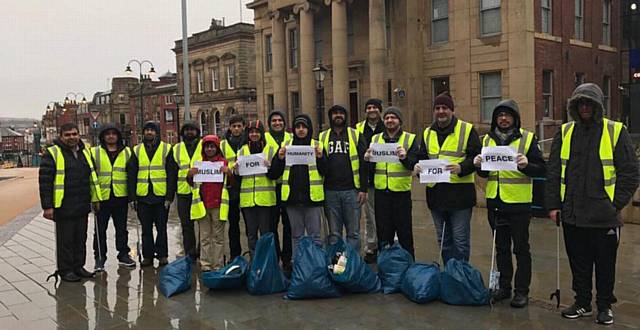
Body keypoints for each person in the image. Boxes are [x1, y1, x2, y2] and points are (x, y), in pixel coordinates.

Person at [546, 83, 639, 325]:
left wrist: (614, 204)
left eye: (589, 103)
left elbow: (630, 173)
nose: (584, 107)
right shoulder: (565, 132)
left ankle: (605, 306)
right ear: (574, 106)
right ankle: (583, 303)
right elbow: (554, 173)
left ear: (597, 106)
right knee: (579, 263)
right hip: (573, 214)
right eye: (580, 103)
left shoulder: (615, 131)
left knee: (606, 266)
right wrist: (554, 206)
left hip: (604, 216)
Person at [474, 99, 546, 308]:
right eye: (499, 115)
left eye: (507, 115)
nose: (503, 119)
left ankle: (521, 291)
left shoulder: (528, 139)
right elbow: (485, 173)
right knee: (501, 247)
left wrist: (526, 165)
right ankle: (504, 288)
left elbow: (541, 169)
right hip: (495, 201)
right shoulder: (487, 140)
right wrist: (479, 165)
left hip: (519, 203)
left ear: (515, 118)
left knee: (521, 249)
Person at [416, 92, 481, 263]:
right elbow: (422, 156)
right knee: (443, 241)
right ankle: (449, 275)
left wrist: (461, 167)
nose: (440, 111)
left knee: (460, 242)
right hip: (436, 197)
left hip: (460, 197)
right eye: (437, 108)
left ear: (451, 110)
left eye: (444, 108)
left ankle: (460, 276)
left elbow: (477, 158)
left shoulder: (467, 129)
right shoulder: (427, 132)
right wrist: (417, 167)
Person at [39, 123, 101, 282]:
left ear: (79, 135)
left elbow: (92, 178)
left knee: (80, 239)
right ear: (61, 136)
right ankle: (65, 270)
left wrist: (95, 199)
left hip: (82, 203)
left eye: (74, 134)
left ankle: (78, 267)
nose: (72, 137)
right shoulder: (52, 153)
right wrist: (47, 207)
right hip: (63, 205)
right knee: (65, 241)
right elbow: (45, 181)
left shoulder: (85, 152)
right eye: (67, 135)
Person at [364, 107, 418, 257]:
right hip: (381, 194)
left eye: (393, 117)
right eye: (387, 118)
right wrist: (367, 159)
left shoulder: (410, 139)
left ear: (400, 121)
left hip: (401, 194)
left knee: (405, 235)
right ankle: (386, 268)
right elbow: (370, 168)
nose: (389, 120)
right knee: (384, 235)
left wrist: (405, 158)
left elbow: (414, 164)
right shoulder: (375, 139)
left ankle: (409, 267)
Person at [271, 114, 327, 255]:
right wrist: (279, 158)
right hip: (293, 200)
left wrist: (321, 158)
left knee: (315, 237)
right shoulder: (286, 146)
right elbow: (274, 173)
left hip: (312, 199)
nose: (301, 130)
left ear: (309, 129)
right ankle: (299, 268)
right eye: (298, 127)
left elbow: (326, 171)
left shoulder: (317, 145)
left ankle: (316, 268)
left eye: (304, 127)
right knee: (297, 237)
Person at [127, 121, 176, 267]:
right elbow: (131, 175)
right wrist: (132, 198)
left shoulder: (166, 149)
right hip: (143, 196)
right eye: (147, 130)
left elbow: (171, 174)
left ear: (157, 132)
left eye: (152, 130)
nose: (149, 132)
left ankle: (162, 255)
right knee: (146, 229)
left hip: (160, 196)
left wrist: (169, 196)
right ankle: (147, 256)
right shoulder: (136, 150)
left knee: (162, 228)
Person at [319, 105, 368, 252]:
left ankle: (352, 265)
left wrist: (363, 189)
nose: (338, 116)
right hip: (330, 191)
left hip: (352, 191)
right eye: (335, 113)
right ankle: (336, 266)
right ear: (330, 116)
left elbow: (364, 162)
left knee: (353, 233)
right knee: (334, 234)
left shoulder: (355, 135)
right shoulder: (323, 136)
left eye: (341, 113)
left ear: (345, 116)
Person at [229, 120, 280, 255]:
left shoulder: (270, 149)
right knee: (251, 234)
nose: (254, 134)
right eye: (251, 132)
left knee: (265, 234)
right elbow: (238, 178)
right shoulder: (242, 151)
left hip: (265, 199)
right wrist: (235, 170)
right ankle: (254, 262)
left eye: (257, 132)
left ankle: (266, 263)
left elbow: (275, 174)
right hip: (247, 200)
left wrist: (269, 166)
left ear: (262, 133)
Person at [90, 124, 136, 271]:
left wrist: (132, 197)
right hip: (101, 197)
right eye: (107, 134)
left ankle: (123, 254)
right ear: (103, 136)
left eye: (113, 133)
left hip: (120, 195)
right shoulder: (94, 152)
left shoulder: (127, 152)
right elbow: (91, 176)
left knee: (121, 228)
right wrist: (93, 198)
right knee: (99, 230)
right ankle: (100, 258)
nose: (111, 136)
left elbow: (132, 175)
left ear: (118, 136)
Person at [187, 135, 231, 271]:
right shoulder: (198, 163)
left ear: (217, 148)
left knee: (218, 238)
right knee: (204, 237)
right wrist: (189, 174)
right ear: (203, 148)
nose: (210, 149)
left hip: (218, 205)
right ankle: (205, 264)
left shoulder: (223, 163)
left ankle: (218, 265)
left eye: (212, 146)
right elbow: (191, 183)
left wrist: (229, 173)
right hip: (203, 205)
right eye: (207, 146)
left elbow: (230, 184)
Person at [355, 98, 385, 263]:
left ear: (380, 110)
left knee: (385, 215)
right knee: (369, 216)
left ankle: (386, 244)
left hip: (385, 177)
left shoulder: (387, 125)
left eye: (375, 107)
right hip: (367, 178)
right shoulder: (359, 128)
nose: (372, 110)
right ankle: (371, 246)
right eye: (369, 107)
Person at [265, 110, 293, 271]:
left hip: (288, 186)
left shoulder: (291, 138)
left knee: (288, 225)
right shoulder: (265, 139)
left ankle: (287, 258)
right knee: (272, 225)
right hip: (270, 187)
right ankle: (275, 257)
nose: (277, 123)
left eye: (280, 120)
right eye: (274, 120)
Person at [171, 121, 202, 260]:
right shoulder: (176, 148)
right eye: (187, 130)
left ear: (197, 132)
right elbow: (171, 171)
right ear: (182, 133)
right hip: (183, 192)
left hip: (201, 191)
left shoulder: (204, 146)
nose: (189, 132)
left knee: (203, 224)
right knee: (186, 225)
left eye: (192, 130)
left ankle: (203, 251)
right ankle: (190, 252)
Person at [220, 115, 246, 259]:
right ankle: (235, 255)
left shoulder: (248, 142)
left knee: (250, 226)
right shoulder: (223, 144)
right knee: (233, 225)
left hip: (247, 187)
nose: (236, 129)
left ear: (243, 127)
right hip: (230, 188)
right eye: (234, 126)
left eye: (239, 126)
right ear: (230, 128)